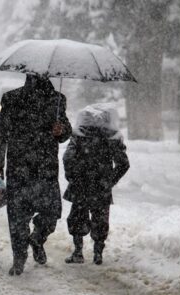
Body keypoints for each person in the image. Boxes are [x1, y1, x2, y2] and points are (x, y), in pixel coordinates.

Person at [0, 74, 72, 276]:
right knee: (17, 218)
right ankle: (19, 257)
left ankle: (37, 238)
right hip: (19, 168)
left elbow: (66, 130)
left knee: (51, 213)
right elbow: (1, 133)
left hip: (46, 168)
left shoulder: (57, 100)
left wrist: (61, 130)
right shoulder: (12, 99)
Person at [63, 104, 129, 265]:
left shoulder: (79, 135)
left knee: (77, 218)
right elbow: (123, 164)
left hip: (81, 184)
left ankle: (78, 252)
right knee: (100, 220)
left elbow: (68, 158)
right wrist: (110, 181)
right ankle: (98, 253)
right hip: (101, 186)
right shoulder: (112, 137)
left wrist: (72, 177)